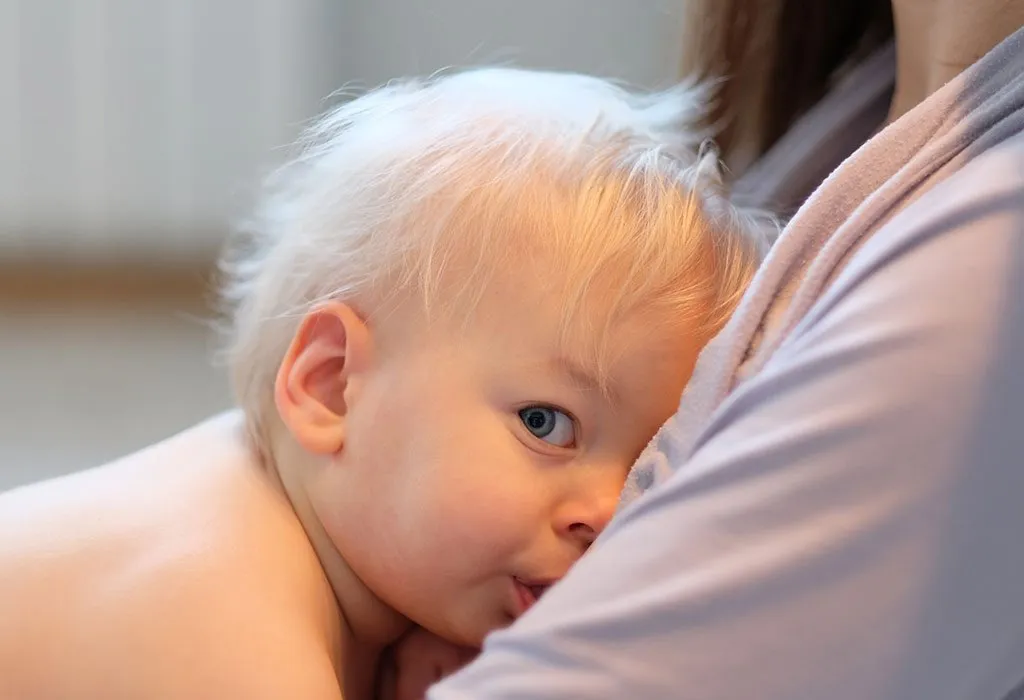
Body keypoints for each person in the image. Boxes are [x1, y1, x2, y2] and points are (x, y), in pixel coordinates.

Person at [0, 68, 766, 700]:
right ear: (332, 386)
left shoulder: (348, 557)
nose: (605, 513)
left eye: (645, 470)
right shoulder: (220, 613)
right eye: (544, 422)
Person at [424, 2, 1024, 699]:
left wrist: (275, 523)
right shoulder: (870, 91)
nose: (605, 509)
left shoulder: (987, 267)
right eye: (543, 423)